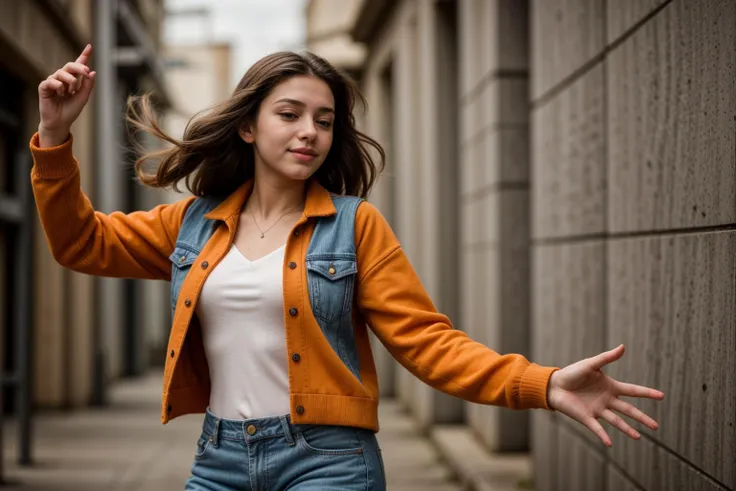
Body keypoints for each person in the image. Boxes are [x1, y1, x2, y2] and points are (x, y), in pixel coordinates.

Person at [31, 44, 664, 490]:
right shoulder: (192, 223)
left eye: (325, 121)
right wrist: (55, 138)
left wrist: (542, 384)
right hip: (218, 458)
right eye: (290, 114)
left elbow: (428, 342)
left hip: (328, 463)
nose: (310, 132)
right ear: (248, 127)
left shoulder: (355, 225)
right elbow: (81, 243)